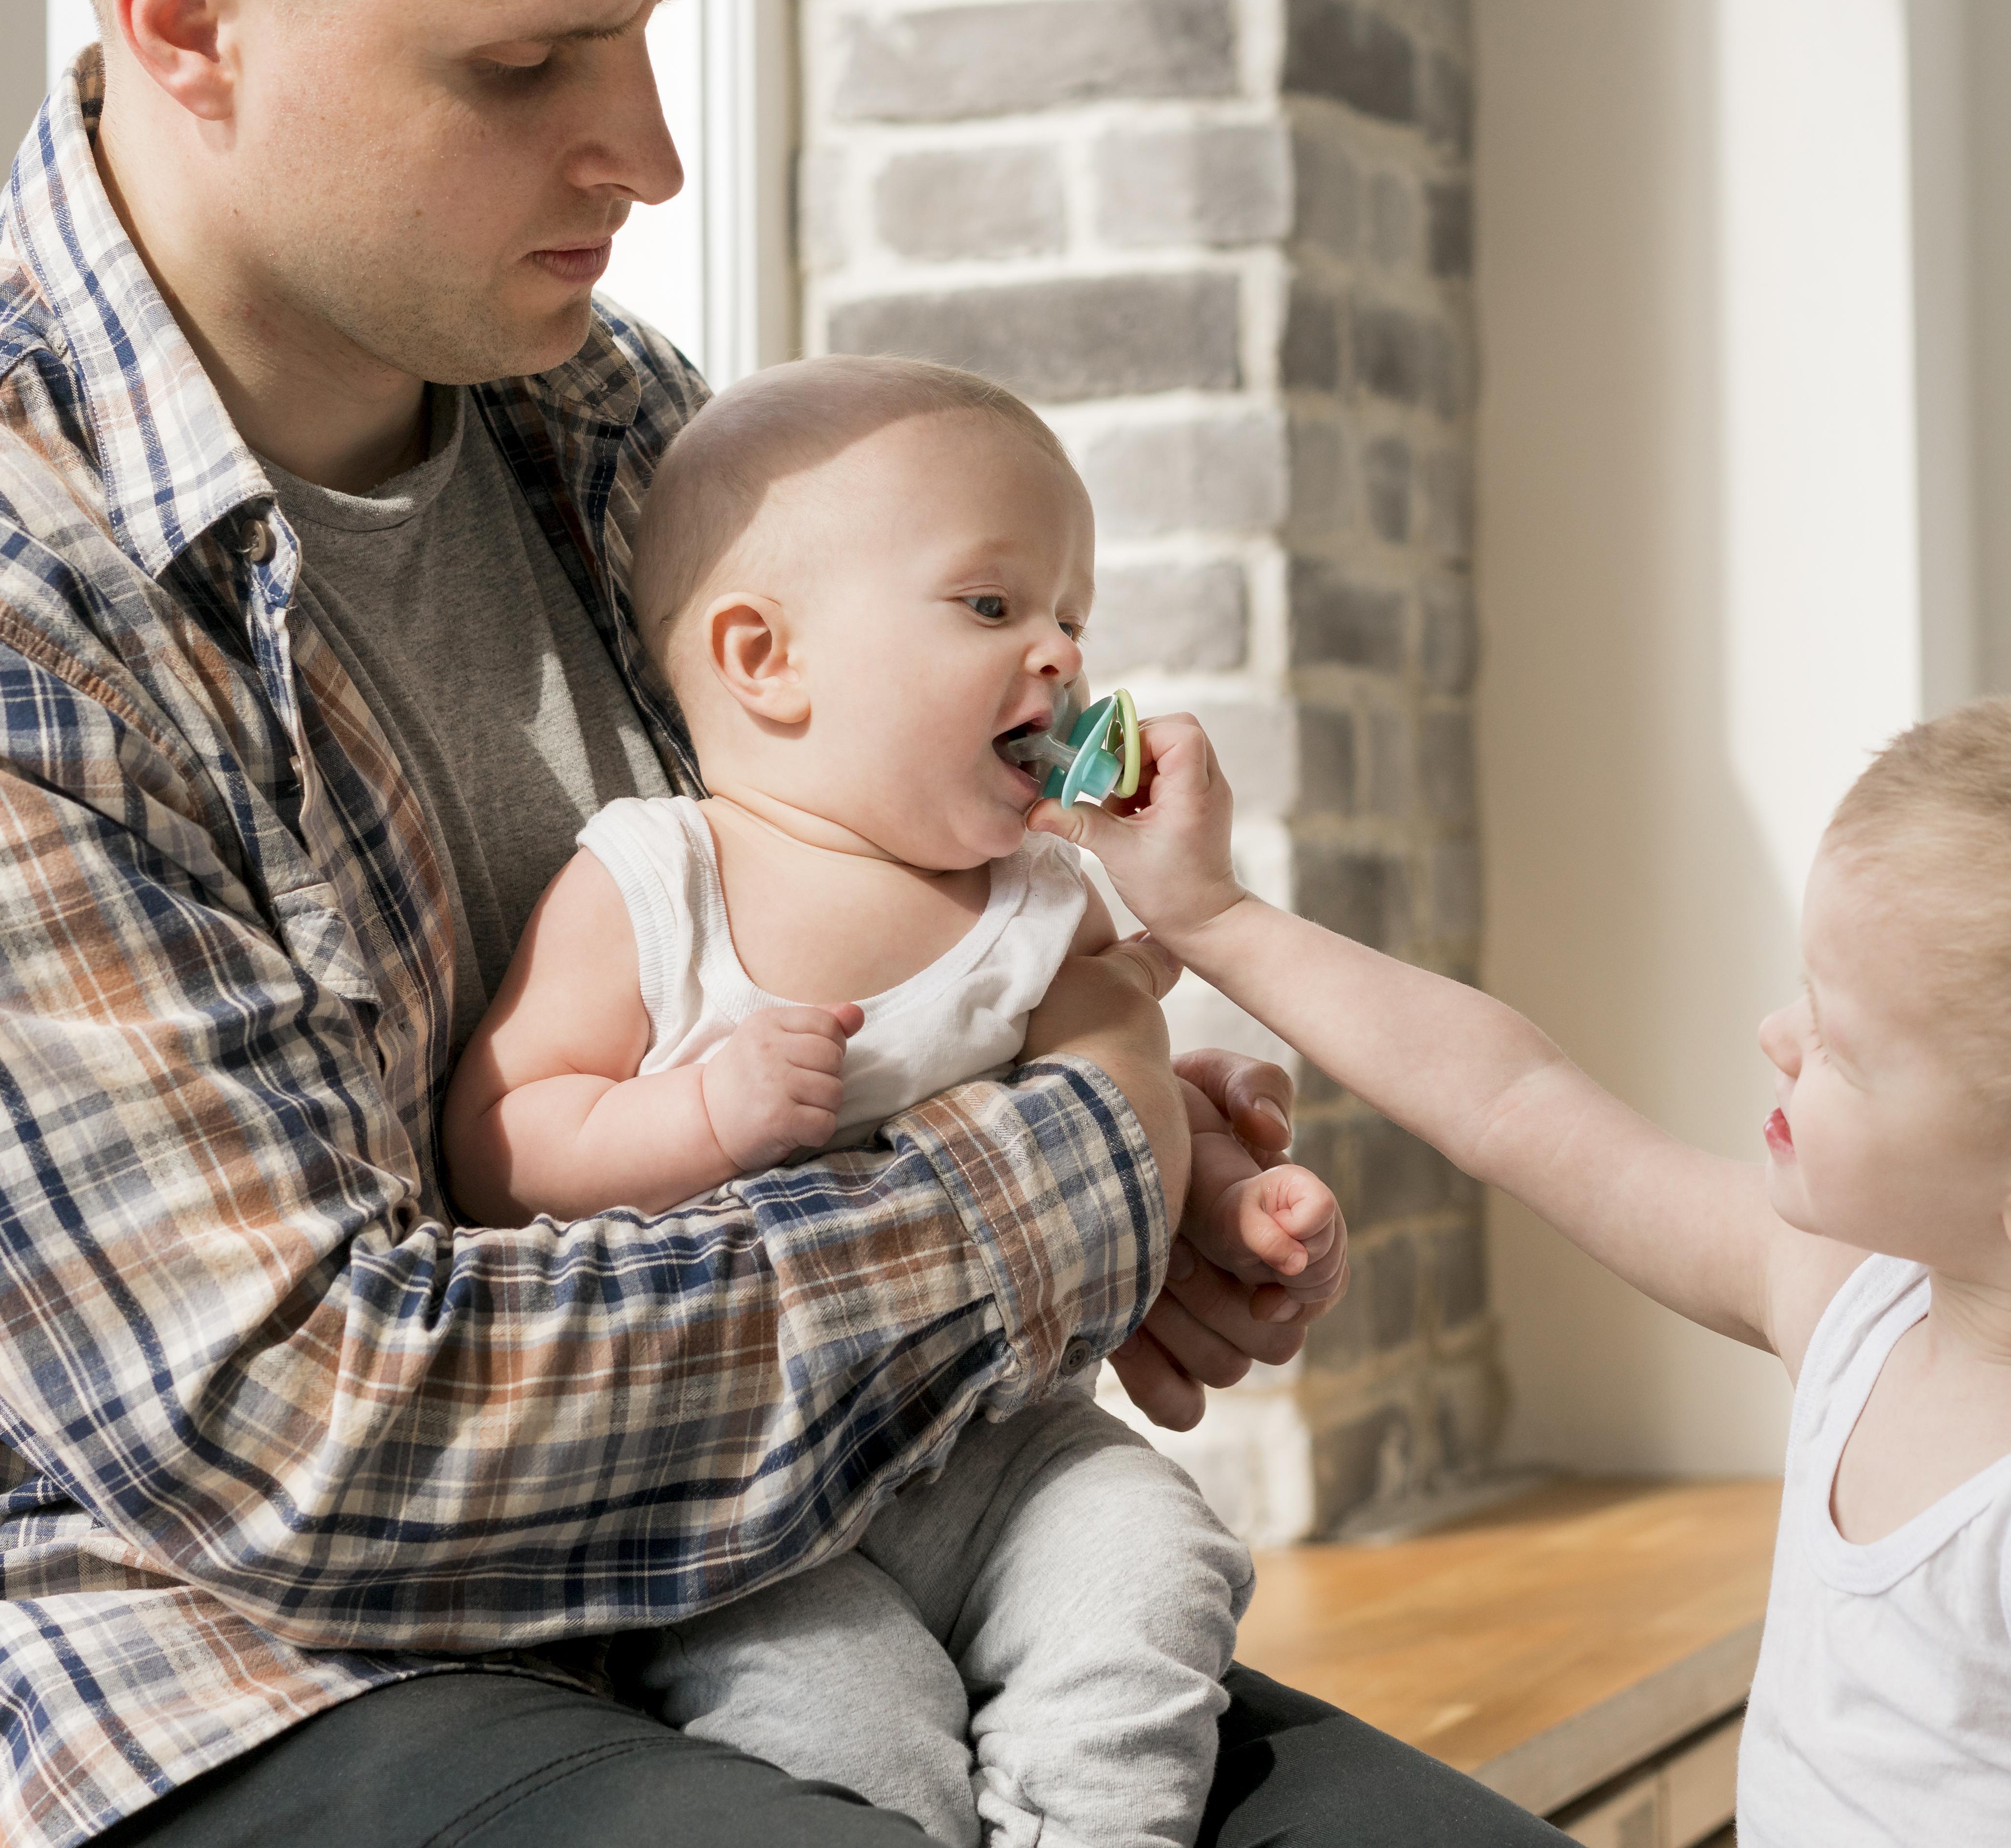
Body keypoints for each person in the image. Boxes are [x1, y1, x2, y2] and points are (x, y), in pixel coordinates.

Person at [0, 0, 1556, 1844]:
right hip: (86, 1670)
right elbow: (310, 1444)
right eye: (523, 63)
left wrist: (1120, 1153)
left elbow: (873, 982)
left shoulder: (613, 431)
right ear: (184, 21)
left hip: (718, 1571)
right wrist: (1064, 1168)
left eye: (646, 24)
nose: (649, 153)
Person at [1047, 689, 2011, 1847]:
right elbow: (1515, 1101)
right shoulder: (1857, 1304)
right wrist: (1218, 915)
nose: (1778, 1035)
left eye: (1842, 1043)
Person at [442, 356, 1350, 1848]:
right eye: (994, 607)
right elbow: (499, 1135)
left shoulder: (1043, 901)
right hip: (750, 1507)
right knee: (837, 1716)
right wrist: (698, 1123)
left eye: (1075, 615)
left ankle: (1094, 1829)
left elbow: (1112, 1114)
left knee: (1154, 1550)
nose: (1059, 654)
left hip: (1004, 1446)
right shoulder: (658, 879)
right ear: (766, 658)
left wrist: (1225, 1181)